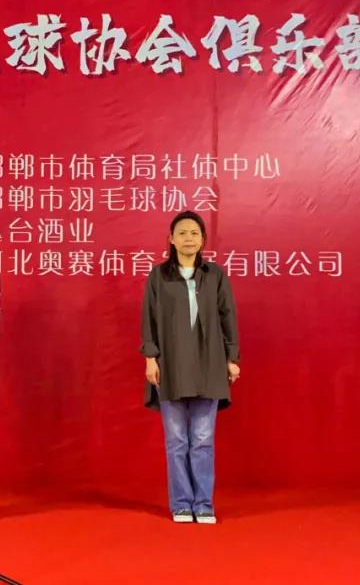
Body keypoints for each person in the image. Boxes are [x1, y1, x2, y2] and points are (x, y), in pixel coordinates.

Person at [140, 210, 240, 524]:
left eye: (195, 233)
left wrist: (232, 358)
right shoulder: (159, 276)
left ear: (203, 240)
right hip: (170, 366)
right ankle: (182, 503)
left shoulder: (215, 275)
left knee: (203, 439)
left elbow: (228, 316)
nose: (188, 238)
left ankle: (204, 504)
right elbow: (148, 319)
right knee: (177, 441)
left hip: (209, 365)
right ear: (171, 239)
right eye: (182, 233)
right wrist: (150, 357)